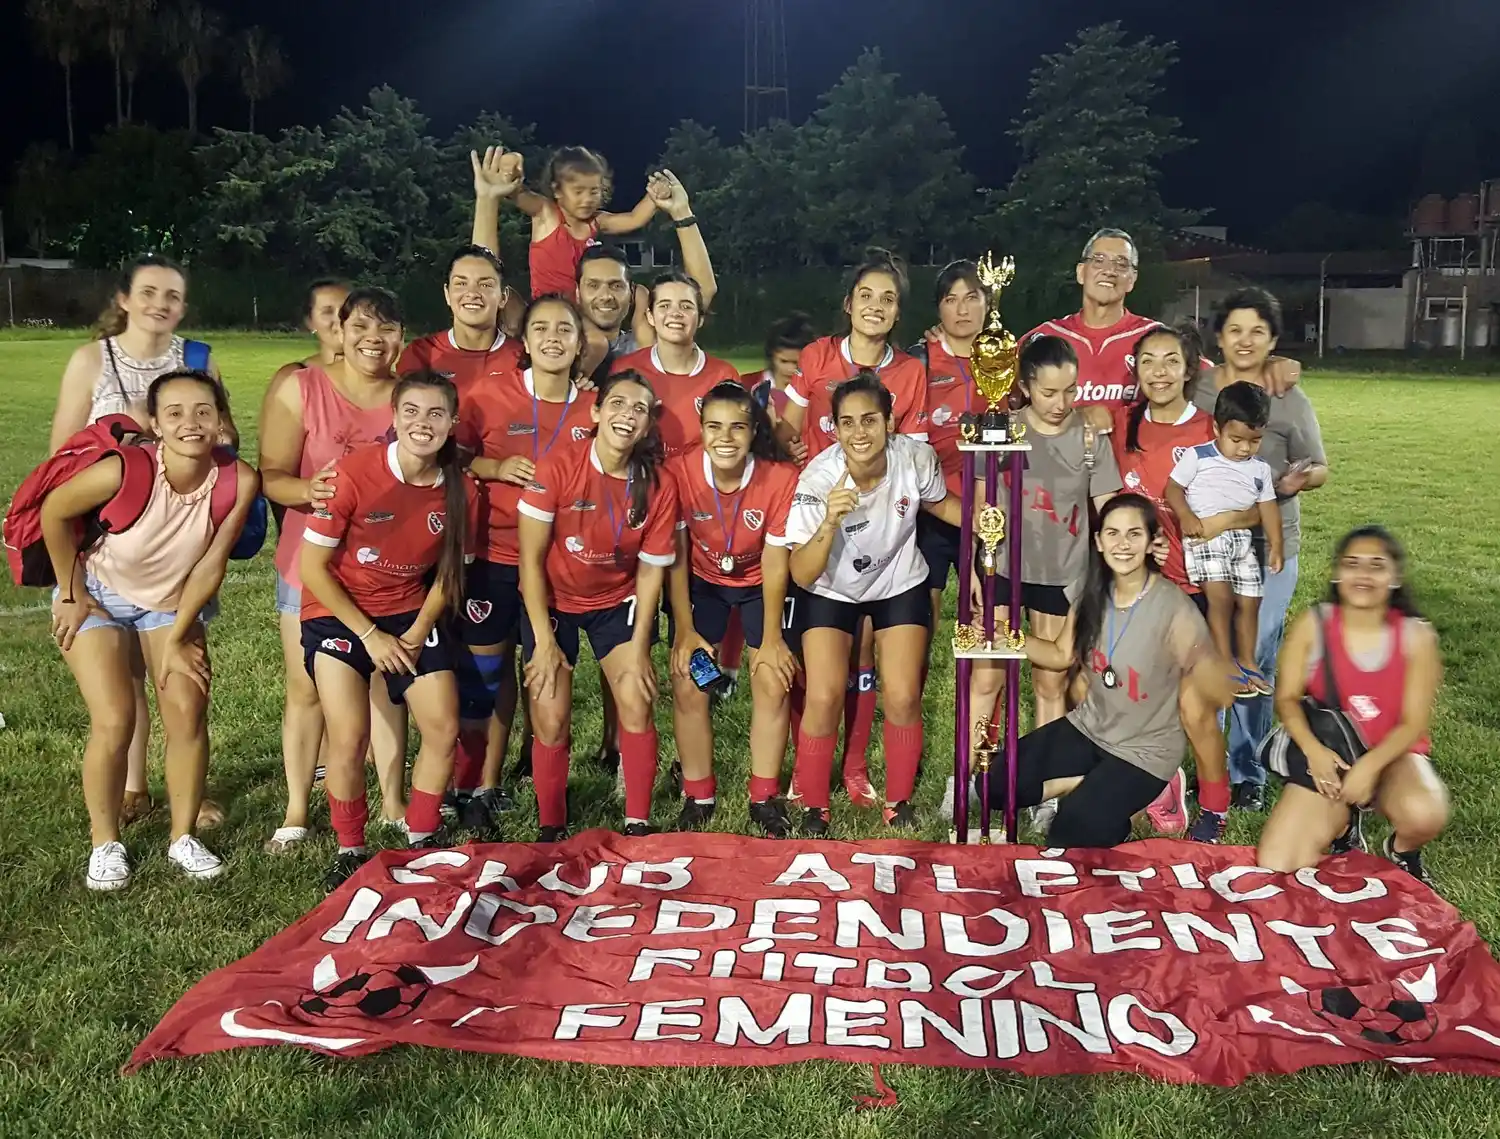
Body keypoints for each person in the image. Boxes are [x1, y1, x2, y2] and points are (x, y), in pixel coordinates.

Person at [41, 371, 259, 890]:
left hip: (172, 603)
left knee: (187, 707)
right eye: (176, 412)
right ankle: (106, 842)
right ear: (156, 423)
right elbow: (54, 514)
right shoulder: (125, 468)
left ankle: (182, 837)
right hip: (100, 594)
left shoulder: (238, 480)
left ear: (222, 419)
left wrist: (180, 636)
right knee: (115, 719)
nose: (191, 422)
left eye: (204, 411)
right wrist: (72, 595)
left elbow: (210, 567)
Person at [48, 254, 225, 830]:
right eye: (149, 292)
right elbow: (58, 462)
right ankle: (131, 786)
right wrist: (119, 442)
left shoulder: (196, 360)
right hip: (103, 547)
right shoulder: (91, 361)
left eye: (172, 296)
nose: (160, 304)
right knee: (120, 684)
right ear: (123, 298)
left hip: (174, 556)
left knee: (176, 681)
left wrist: (193, 433)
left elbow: (226, 438)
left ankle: (184, 799)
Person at [300, 371, 478, 892]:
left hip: (408, 612)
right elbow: (313, 570)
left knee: (444, 727)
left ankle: (421, 839)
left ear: (453, 423)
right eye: (412, 412)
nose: (423, 424)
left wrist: (420, 629)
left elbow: (449, 574)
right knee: (350, 736)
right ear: (395, 417)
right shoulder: (352, 474)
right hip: (339, 611)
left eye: (436, 414)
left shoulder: (462, 491)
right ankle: (349, 848)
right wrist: (370, 635)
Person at [980, 494, 1238, 847]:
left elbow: (1203, 720)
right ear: (1099, 541)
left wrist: (1214, 807)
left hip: (1145, 751)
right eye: (1113, 534)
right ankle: (1088, 782)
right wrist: (1008, 638)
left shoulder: (1174, 612)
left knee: (1070, 834)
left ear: (1151, 542)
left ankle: (1154, 789)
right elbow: (1059, 655)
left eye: (1134, 534)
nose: (1123, 544)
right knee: (994, 785)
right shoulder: (1092, 591)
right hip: (1090, 728)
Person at [777, 249, 930, 808]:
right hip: (823, 517)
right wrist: (802, 463)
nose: (875, 306)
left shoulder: (910, 372)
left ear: (897, 313)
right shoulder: (818, 355)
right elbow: (786, 429)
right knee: (821, 671)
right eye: (865, 295)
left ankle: (859, 767)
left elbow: (909, 458)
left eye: (887, 299)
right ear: (848, 304)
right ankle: (810, 777)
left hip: (885, 532)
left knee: (872, 659)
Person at [258, 287, 408, 853]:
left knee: (385, 685)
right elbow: (269, 473)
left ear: (402, 338)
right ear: (339, 333)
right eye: (362, 327)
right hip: (310, 562)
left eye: (387, 328)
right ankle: (297, 811)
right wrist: (309, 489)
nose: (374, 338)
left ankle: (393, 804)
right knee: (307, 689)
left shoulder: (406, 399)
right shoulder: (303, 388)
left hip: (389, 569)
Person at [784, 372, 964, 834]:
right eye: (847, 423)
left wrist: (991, 524)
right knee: (823, 695)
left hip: (898, 581)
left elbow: (940, 504)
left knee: (902, 693)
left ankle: (899, 800)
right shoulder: (819, 478)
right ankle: (814, 804)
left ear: (890, 422)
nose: (859, 433)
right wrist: (828, 522)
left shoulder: (915, 458)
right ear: (834, 429)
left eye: (869, 420)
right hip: (831, 588)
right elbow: (801, 573)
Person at [967, 335, 1123, 831]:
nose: (1062, 404)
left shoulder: (1088, 438)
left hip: (1064, 574)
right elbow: (981, 509)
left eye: (1070, 391)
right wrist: (977, 568)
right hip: (1009, 571)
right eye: (1050, 392)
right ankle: (970, 780)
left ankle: (1043, 792)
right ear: (1026, 386)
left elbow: (1109, 507)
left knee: (1049, 681)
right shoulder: (1002, 431)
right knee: (987, 677)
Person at [452, 294, 595, 830]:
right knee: (487, 676)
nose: (553, 337)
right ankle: (479, 786)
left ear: (580, 343)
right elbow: (453, 451)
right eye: (541, 328)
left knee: (541, 676)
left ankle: (536, 788)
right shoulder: (489, 396)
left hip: (557, 565)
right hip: (493, 554)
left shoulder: (593, 408)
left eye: (565, 329)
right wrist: (493, 464)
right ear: (525, 340)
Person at [517, 371, 678, 839]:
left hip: (615, 601)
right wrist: (544, 642)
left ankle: (637, 823)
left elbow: (651, 571)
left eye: (639, 409)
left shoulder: (657, 484)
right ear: (595, 412)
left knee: (636, 695)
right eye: (618, 404)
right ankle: (551, 826)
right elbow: (528, 561)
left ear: (648, 425)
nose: (627, 415)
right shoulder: (556, 466)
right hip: (552, 600)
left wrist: (641, 643)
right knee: (550, 714)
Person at [1188, 287, 1330, 813]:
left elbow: (1319, 465)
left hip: (1271, 547)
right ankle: (1212, 765)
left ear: (1272, 339)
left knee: (1255, 654)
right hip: (1209, 546)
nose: (1246, 341)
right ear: (1219, 338)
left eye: (1258, 332)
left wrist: (1296, 483)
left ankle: (1247, 772)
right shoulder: (1197, 389)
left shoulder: (1288, 398)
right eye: (1235, 330)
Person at [1110, 325, 1246, 836]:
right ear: (1136, 371)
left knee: (1194, 705)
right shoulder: (1123, 426)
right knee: (1140, 698)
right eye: (1148, 362)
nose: (1159, 372)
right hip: (1145, 592)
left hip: (1203, 589)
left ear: (1191, 369)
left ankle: (1214, 807)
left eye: (1171, 361)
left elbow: (1252, 509)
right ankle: (1162, 783)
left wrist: (1196, 538)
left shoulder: (1212, 431)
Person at [1257, 527, 1446, 886]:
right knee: (1277, 863)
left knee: (1423, 813)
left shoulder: (1417, 636)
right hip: (1332, 754)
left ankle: (1402, 849)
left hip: (1393, 754)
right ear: (1336, 573)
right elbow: (1286, 699)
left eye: (1377, 565)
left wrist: (1370, 767)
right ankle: (1345, 824)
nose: (1363, 575)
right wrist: (1313, 752)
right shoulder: (1314, 626)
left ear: (1394, 577)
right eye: (1352, 564)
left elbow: (1413, 723)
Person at [667, 382, 801, 837]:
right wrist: (685, 629)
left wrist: (770, 640)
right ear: (701, 429)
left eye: (738, 427)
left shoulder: (779, 479)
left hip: (758, 587)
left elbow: (774, 559)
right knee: (693, 682)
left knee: (771, 678)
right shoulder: (680, 472)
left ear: (752, 431)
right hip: (704, 588)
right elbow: (676, 554)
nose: (726, 438)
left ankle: (764, 796)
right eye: (715, 427)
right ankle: (698, 792)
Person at [470, 147, 717, 372]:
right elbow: (516, 193)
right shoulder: (547, 214)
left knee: (635, 300)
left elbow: (633, 219)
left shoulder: (596, 222)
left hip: (579, 315)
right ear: (557, 190)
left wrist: (656, 198)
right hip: (550, 306)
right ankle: (575, 385)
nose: (587, 199)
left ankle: (635, 371)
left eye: (594, 191)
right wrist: (510, 168)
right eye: (578, 192)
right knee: (595, 343)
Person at [1025, 228, 1300, 409]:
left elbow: (1215, 379)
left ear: (1131, 279)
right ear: (1081, 272)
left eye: (1121, 264)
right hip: (1056, 486)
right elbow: (992, 382)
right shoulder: (1044, 337)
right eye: (1099, 260)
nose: (1109, 270)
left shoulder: (1155, 339)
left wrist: (1268, 366)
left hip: (1132, 488)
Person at [1165, 382, 1283, 696]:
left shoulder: (1259, 469)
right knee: (1220, 599)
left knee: (1251, 600)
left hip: (1241, 540)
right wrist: (1186, 515)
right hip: (1206, 540)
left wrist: (1276, 546)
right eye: (1236, 440)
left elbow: (1268, 508)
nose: (1244, 448)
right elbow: (1173, 489)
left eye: (1255, 440)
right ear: (1217, 428)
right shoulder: (1198, 457)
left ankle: (1246, 658)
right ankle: (1224, 658)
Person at [911, 261, 987, 656]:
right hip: (933, 509)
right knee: (920, 625)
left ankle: (981, 713)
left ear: (988, 303)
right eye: (950, 299)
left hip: (993, 508)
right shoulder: (918, 359)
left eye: (972, 298)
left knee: (989, 625)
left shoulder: (1007, 356)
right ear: (938, 308)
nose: (961, 310)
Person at [612, 272, 743, 458]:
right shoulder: (624, 369)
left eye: (686, 306)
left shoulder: (723, 375)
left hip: (699, 483)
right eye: (664, 305)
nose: (675, 313)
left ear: (701, 319)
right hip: (642, 480)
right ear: (650, 316)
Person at [397, 245, 524, 386]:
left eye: (485, 285)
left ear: (503, 297)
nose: (472, 293)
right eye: (461, 283)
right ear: (447, 294)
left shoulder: (523, 358)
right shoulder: (421, 354)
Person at [268, 278, 352, 390]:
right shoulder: (292, 378)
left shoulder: (378, 375)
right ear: (310, 322)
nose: (340, 319)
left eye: (346, 310)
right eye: (327, 312)